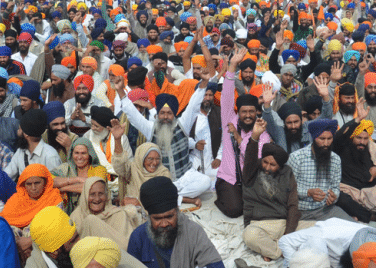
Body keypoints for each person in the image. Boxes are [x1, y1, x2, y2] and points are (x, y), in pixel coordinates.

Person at [114, 67, 212, 209]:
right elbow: (133, 115)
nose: (165, 117)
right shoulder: (150, 127)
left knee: (205, 182)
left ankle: (170, 196)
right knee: (150, 188)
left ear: (174, 114)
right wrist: (120, 90)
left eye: (169, 113)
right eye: (162, 113)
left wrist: (204, 82)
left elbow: (193, 105)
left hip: (185, 176)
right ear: (157, 114)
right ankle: (180, 197)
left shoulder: (183, 123)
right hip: (161, 178)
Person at [214, 48, 272, 217]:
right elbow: (226, 96)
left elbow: (254, 158)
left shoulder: (262, 132)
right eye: (244, 112)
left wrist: (241, 139)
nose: (247, 116)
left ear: (256, 113)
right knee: (235, 211)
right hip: (229, 177)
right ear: (237, 112)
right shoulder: (229, 120)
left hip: (251, 179)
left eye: (251, 112)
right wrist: (232, 66)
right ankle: (221, 196)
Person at [127, 177, 224, 268]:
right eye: (157, 219)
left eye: (169, 216)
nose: (164, 224)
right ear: (149, 217)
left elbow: (215, 264)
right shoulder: (137, 238)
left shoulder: (193, 232)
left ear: (177, 211)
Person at [27, 206, 144, 268]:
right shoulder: (36, 265)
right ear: (54, 253)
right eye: (73, 242)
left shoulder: (97, 251)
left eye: (77, 235)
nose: (81, 241)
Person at [242, 139, 300, 262]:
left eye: (272, 165)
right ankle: (280, 250)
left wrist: (287, 234)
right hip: (258, 223)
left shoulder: (287, 172)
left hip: (281, 223)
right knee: (249, 235)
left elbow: (293, 204)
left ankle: (271, 249)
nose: (267, 168)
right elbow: (249, 158)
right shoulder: (252, 171)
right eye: (265, 162)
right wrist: (254, 137)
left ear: (280, 166)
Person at [287, 118, 353, 222]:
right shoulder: (296, 158)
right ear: (313, 138)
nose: (326, 143)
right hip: (301, 211)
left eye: (329, 138)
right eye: (322, 139)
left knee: (355, 228)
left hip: (326, 210)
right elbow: (288, 189)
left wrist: (334, 196)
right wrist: (308, 193)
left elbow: (335, 187)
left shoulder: (335, 159)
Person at [333, 115, 376, 223]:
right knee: (340, 198)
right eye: (359, 138)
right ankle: (369, 216)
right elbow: (339, 136)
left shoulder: (370, 146)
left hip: (369, 187)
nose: (362, 142)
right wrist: (356, 120)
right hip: (349, 187)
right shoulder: (341, 146)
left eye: (365, 138)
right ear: (352, 136)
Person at [0, 164, 64, 262]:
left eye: (37, 183)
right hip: (18, 247)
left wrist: (29, 242)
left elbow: (55, 228)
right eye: (29, 184)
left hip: (44, 246)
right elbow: (4, 223)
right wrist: (19, 242)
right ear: (23, 184)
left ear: (45, 182)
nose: (33, 188)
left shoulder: (54, 198)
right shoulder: (16, 200)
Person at [263, 75, 335, 154]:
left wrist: (325, 97)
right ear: (283, 122)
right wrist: (266, 105)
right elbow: (268, 121)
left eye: (296, 121)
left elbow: (326, 117)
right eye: (289, 123)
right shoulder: (280, 132)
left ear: (302, 119)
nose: (293, 126)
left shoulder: (309, 128)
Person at [279, 222, 376, 268]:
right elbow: (284, 241)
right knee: (317, 249)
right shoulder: (327, 233)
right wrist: (293, 262)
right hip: (319, 250)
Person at [70, 177, 141, 250]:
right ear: (85, 195)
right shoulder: (77, 216)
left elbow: (126, 246)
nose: (97, 199)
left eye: (101, 194)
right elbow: (69, 247)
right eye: (92, 194)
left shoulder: (118, 214)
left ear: (107, 196)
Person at [51, 137, 108, 214]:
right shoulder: (66, 168)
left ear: (90, 154)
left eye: (83, 153)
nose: (79, 157)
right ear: (72, 154)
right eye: (76, 153)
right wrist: (76, 179)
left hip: (95, 213)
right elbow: (50, 181)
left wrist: (63, 188)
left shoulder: (99, 169)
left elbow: (92, 188)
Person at [4, 109, 62, 181]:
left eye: (19, 129)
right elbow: (7, 176)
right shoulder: (20, 152)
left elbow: (56, 183)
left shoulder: (50, 156)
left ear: (26, 134)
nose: (17, 132)